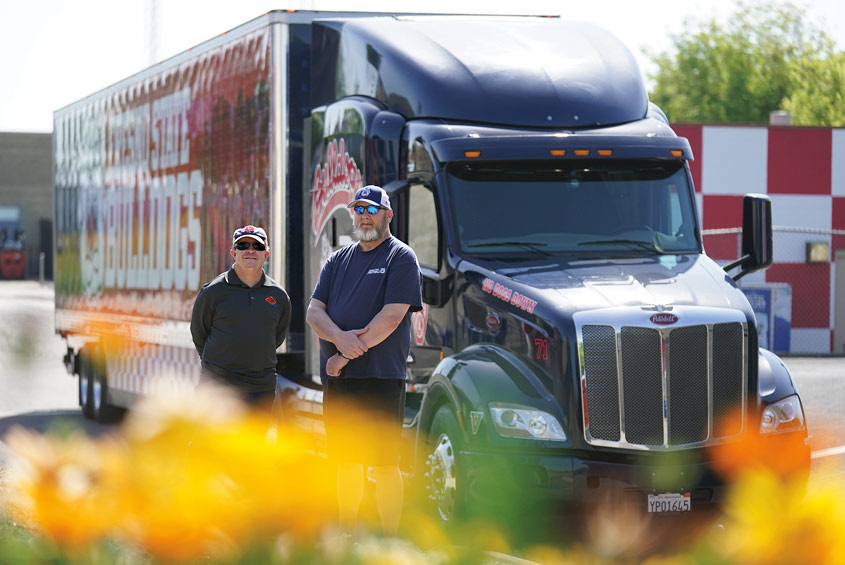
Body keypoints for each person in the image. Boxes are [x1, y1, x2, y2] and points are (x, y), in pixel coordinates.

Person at [306, 185, 422, 537]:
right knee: (346, 462)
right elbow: (314, 311)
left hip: (381, 377)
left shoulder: (400, 257)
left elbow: (390, 318)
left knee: (386, 464)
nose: (364, 215)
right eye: (359, 209)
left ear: (388, 215)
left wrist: (343, 354)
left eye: (372, 209)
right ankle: (347, 535)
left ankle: (389, 540)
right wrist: (339, 339)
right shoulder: (337, 260)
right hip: (340, 381)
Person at [190, 224, 291, 407]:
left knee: (256, 438)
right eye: (243, 245)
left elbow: (276, 338)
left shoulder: (278, 296)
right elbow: (199, 333)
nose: (250, 251)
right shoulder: (213, 292)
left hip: (261, 389)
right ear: (233, 253)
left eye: (257, 246)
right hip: (217, 389)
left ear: (266, 255)